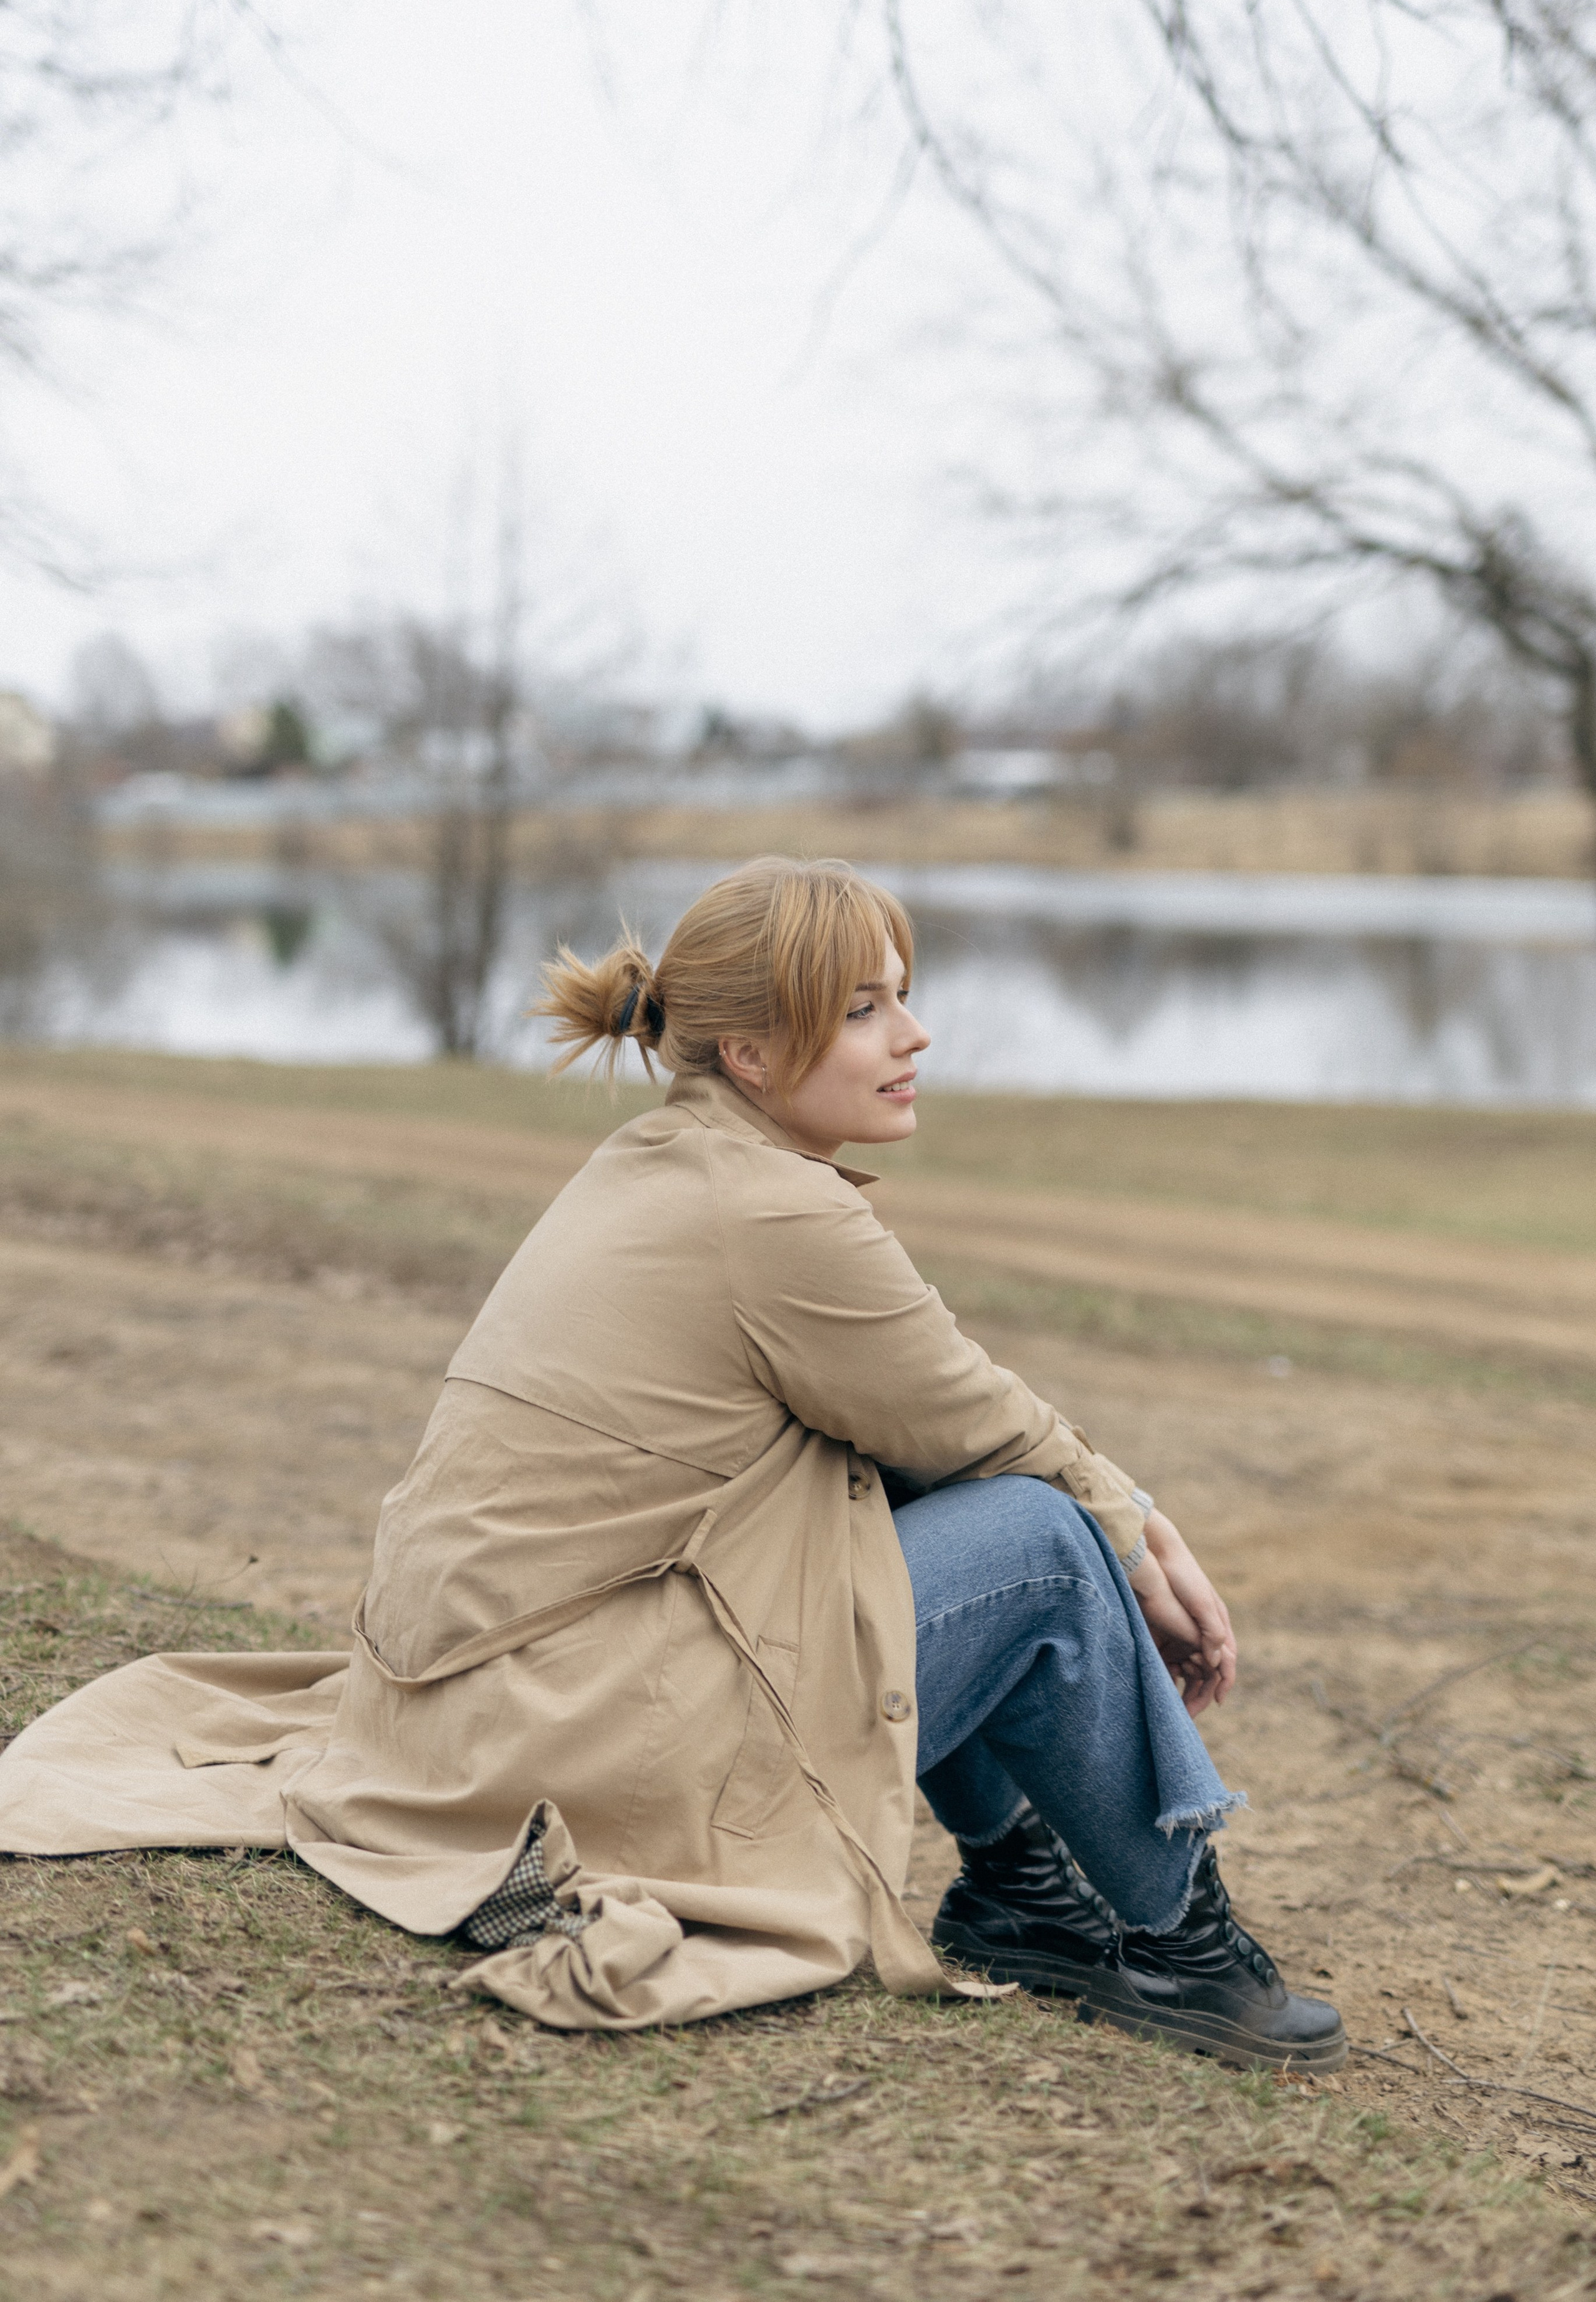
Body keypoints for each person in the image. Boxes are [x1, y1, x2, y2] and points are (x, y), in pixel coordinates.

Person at [0, 857, 1342, 2066]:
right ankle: (1179, 1949)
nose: (913, 1033)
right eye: (866, 1006)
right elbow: (990, 1430)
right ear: (751, 1052)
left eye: (902, 995)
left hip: (484, 1710)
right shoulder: (770, 1212)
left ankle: (1022, 1895)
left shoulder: (669, 1160)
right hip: (566, 1728)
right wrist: (1140, 1534)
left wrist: (1133, 1518)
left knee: (941, 1504)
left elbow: (938, 1422)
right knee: (1041, 1546)